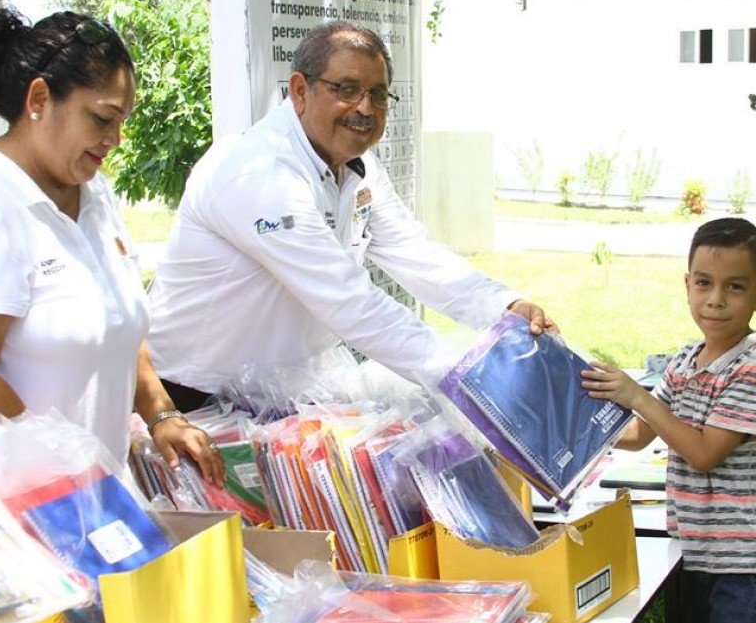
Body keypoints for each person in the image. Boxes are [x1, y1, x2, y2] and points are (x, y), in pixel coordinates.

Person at [147, 21, 551, 410]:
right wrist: (473, 381)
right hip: (191, 399)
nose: (364, 108)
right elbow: (350, 303)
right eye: (347, 89)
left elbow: (416, 255)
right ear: (300, 91)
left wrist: (502, 305)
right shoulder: (258, 174)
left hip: (281, 398)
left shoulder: (360, 168)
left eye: (378, 94)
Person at [0, 7, 222, 484]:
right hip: (10, 511)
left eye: (123, 121)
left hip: (89, 500)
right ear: (39, 99)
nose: (115, 139)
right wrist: (60, 486)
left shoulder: (95, 195)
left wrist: (161, 413)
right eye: (102, 118)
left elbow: (119, 323)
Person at [581, 218, 756, 623]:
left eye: (735, 286)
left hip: (748, 567)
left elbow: (702, 453)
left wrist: (637, 394)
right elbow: (640, 433)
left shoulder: (754, 366)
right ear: (687, 285)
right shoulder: (683, 361)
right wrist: (566, 429)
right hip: (692, 554)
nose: (715, 299)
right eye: (703, 283)